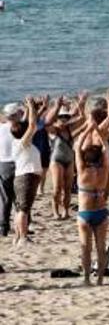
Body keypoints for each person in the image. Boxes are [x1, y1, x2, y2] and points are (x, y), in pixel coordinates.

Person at [75, 92, 109, 285]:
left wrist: (88, 128)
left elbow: (77, 148)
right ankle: (100, 278)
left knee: (85, 247)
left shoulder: (82, 172)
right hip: (100, 210)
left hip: (84, 213)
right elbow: (106, 149)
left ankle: (86, 279)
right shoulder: (103, 172)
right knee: (100, 248)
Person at [8, 99, 39, 246]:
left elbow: (27, 124)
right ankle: (22, 238)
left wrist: (28, 109)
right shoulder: (23, 143)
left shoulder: (18, 142)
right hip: (26, 178)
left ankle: (18, 237)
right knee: (23, 210)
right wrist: (32, 107)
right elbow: (32, 125)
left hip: (24, 177)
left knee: (21, 209)